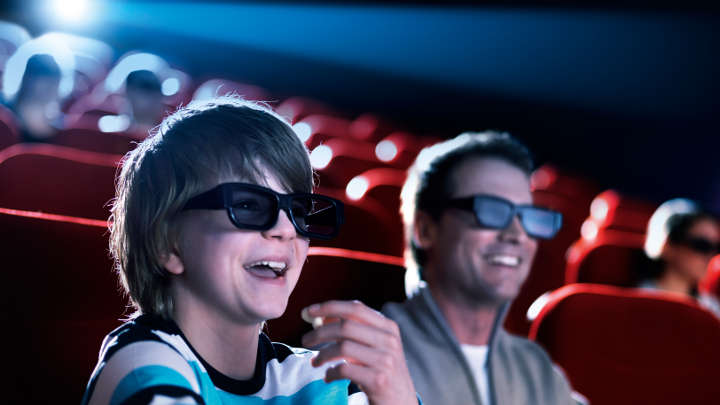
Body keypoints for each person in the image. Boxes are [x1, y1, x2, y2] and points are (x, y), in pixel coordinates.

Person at [82, 96, 418, 405]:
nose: (286, 229)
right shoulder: (141, 363)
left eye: (299, 211)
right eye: (247, 205)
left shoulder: (325, 377)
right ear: (167, 244)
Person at [382, 131, 580, 405]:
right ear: (425, 229)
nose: (517, 235)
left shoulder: (540, 373)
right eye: (491, 210)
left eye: (526, 216)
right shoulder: (368, 354)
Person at [640, 198, 720, 314]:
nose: (710, 256)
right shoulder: (636, 303)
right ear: (667, 245)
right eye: (702, 246)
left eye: (717, 248)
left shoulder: (711, 309)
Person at [6, 53, 64, 142]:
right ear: (29, 80)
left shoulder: (60, 123)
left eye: (55, 83)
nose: (52, 88)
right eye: (47, 82)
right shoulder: (6, 116)